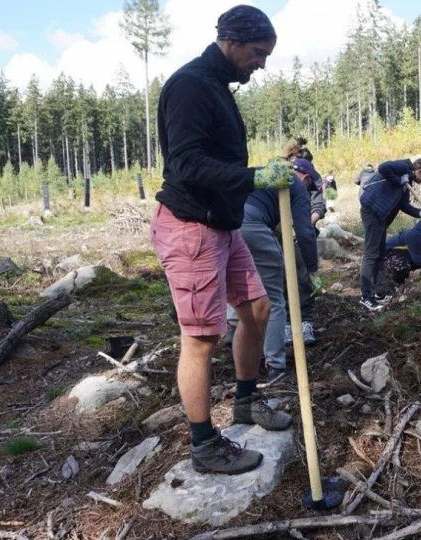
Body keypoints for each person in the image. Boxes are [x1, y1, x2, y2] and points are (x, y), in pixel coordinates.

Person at [151, 5, 293, 475]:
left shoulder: (217, 86)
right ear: (231, 42)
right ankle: (204, 444)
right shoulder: (191, 85)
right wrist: (253, 177)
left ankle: (247, 402)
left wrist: (255, 174)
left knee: (257, 309)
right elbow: (185, 165)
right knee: (201, 337)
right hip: (191, 227)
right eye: (257, 53)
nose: (262, 63)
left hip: (222, 225)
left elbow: (214, 159)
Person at [224, 158, 321, 384]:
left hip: (225, 225)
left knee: (241, 288)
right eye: (310, 187)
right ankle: (276, 366)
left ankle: (233, 330)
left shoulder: (264, 173)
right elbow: (305, 232)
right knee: (274, 299)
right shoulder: (296, 186)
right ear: (306, 178)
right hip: (251, 227)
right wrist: (313, 271)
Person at [359, 158, 421, 311]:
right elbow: (383, 167)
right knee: (371, 255)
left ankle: (379, 293)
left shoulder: (407, 183)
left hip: (381, 217)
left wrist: (420, 213)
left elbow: (404, 205)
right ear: (419, 170)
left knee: (380, 254)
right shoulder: (403, 167)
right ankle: (366, 297)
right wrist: (399, 179)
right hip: (372, 211)